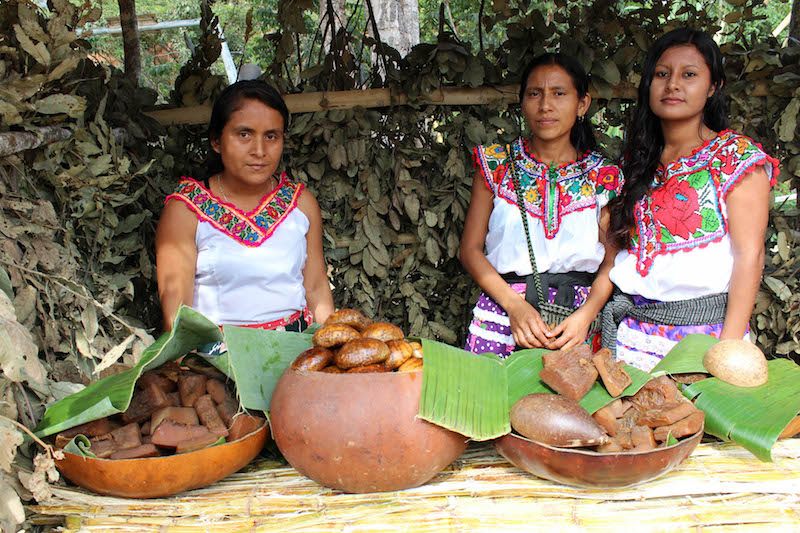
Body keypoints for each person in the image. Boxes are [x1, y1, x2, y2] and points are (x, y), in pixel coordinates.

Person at [604, 28, 779, 372]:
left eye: (689, 74)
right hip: (632, 338)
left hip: (705, 340)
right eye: (662, 74)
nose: (672, 85)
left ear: (713, 87)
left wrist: (724, 355)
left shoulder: (735, 158)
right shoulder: (636, 165)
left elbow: (750, 256)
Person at [460, 53, 623, 358]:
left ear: (582, 104)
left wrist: (586, 316)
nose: (545, 105)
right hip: (503, 315)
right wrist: (514, 306)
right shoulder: (495, 165)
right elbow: (470, 250)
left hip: (576, 326)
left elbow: (611, 264)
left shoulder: (604, 176)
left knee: (576, 406)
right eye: (535, 93)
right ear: (522, 102)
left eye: (559, 93)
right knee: (493, 404)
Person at [155, 80, 334, 334]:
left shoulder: (301, 203)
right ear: (217, 141)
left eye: (271, 136)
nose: (259, 151)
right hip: (217, 360)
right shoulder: (186, 209)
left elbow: (316, 288)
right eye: (244, 135)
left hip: (295, 353)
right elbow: (177, 318)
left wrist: (331, 357)